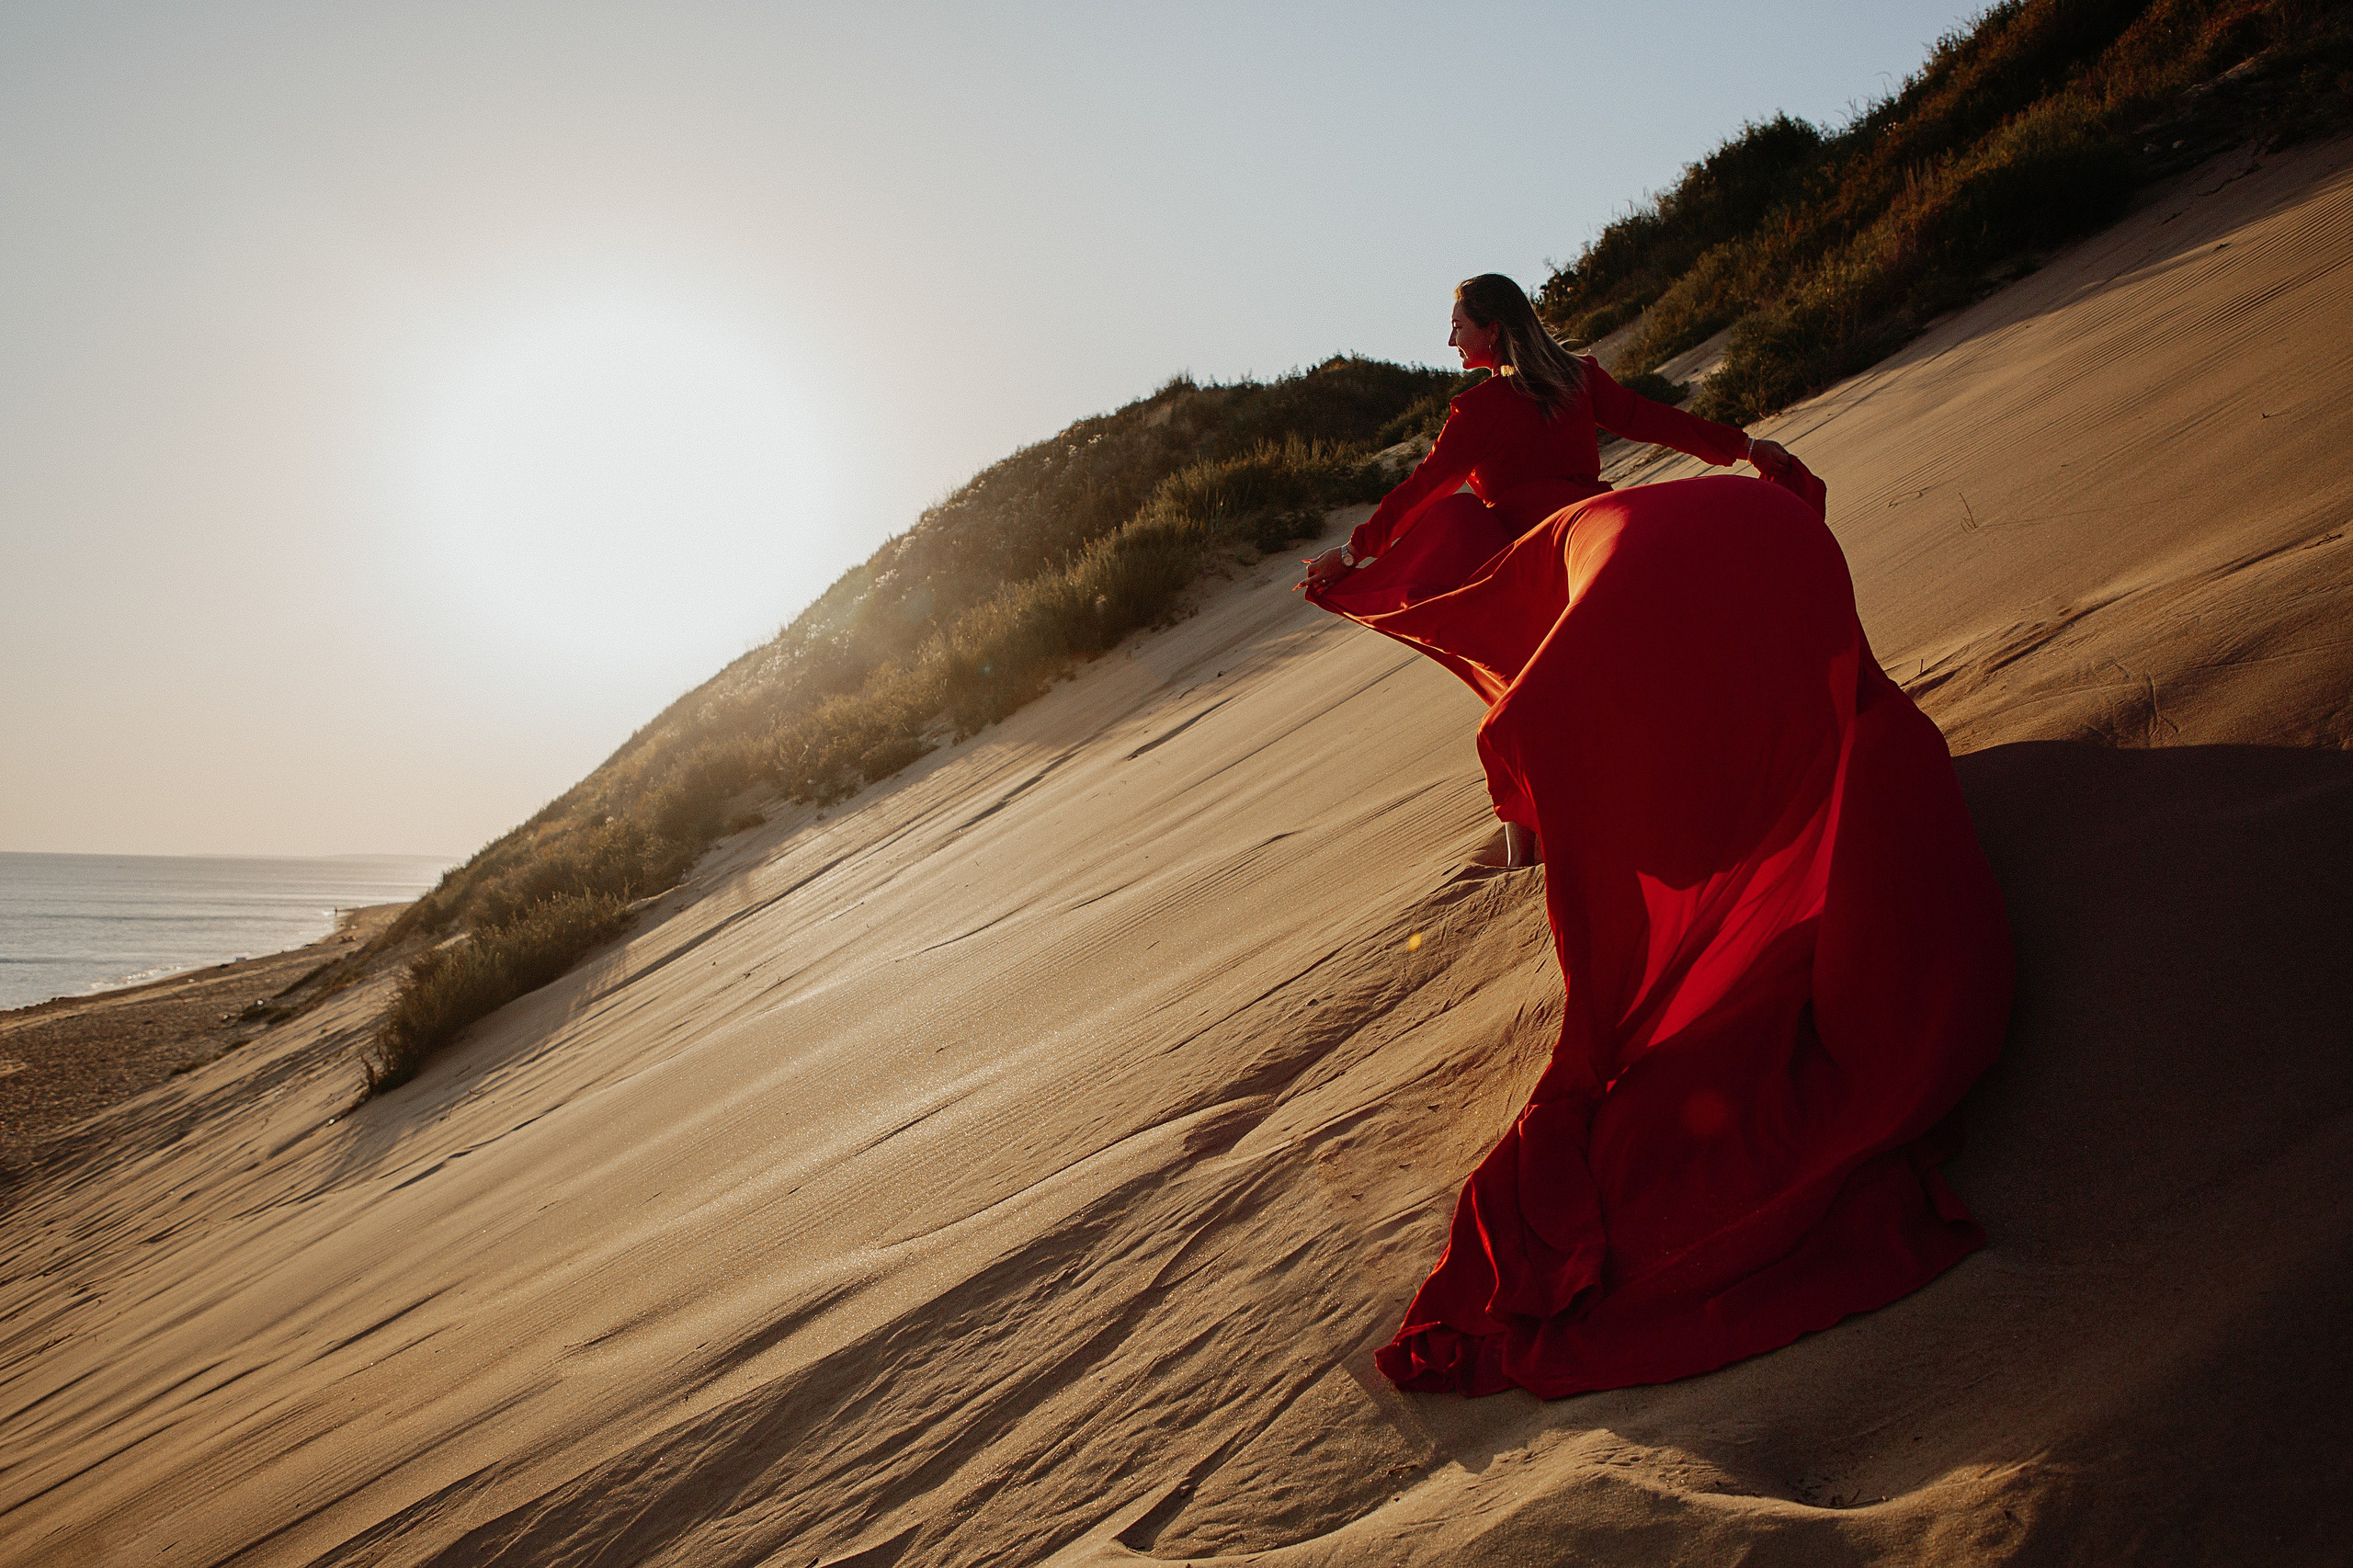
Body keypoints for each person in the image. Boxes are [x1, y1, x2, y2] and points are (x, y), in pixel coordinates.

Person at [1302, 275, 2013, 1400]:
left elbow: (1424, 489)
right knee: (1550, 692)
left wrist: (1354, 554)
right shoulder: (1576, 382)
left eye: (1454, 320)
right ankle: (1590, 821)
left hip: (1560, 560)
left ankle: (1544, 841)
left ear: (1486, 330)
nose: (1445, 336)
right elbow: (1662, 427)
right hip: (1603, 529)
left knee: (1526, 698)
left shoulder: (1477, 407)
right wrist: (1746, 452)